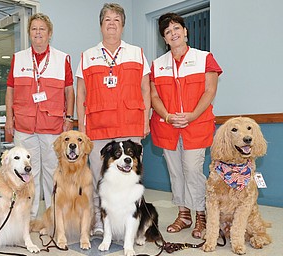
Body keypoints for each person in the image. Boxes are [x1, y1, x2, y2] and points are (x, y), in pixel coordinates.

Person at [76, 3, 151, 235]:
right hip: (98, 129)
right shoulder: (87, 56)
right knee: (102, 177)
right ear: (101, 25)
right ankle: (101, 219)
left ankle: (132, 221)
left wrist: (146, 120)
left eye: (116, 20)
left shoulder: (137, 53)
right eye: (107, 19)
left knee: (130, 178)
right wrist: (81, 127)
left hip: (130, 125)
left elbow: (146, 90)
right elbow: (81, 95)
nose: (112, 24)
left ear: (122, 26)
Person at [150, 12, 222, 239]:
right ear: (164, 38)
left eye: (176, 28)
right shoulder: (157, 64)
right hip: (167, 126)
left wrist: (191, 116)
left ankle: (201, 214)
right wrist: (169, 116)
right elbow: (154, 96)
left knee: (192, 170)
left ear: (186, 31)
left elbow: (210, 91)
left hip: (197, 125)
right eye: (168, 31)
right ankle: (183, 214)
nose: (173, 33)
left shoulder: (204, 58)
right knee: (175, 172)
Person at [5, 13, 75, 218]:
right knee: (26, 173)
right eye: (34, 29)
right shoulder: (19, 59)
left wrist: (69, 118)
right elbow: (10, 89)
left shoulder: (62, 59)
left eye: (42, 29)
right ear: (29, 34)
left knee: (52, 173)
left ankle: (52, 217)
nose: (37, 33)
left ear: (49, 33)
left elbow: (69, 90)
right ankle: (27, 217)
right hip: (24, 126)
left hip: (53, 126)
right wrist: (9, 117)